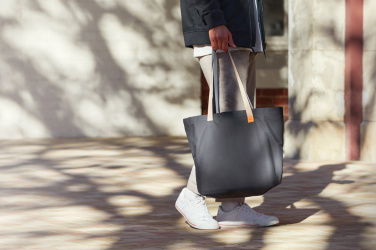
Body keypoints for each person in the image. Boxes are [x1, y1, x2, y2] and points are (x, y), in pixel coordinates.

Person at [175, 0, 279, 230]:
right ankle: (192, 194)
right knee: (227, 127)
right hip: (223, 33)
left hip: (243, 36)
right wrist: (214, 19)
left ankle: (232, 206)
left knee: (239, 127)